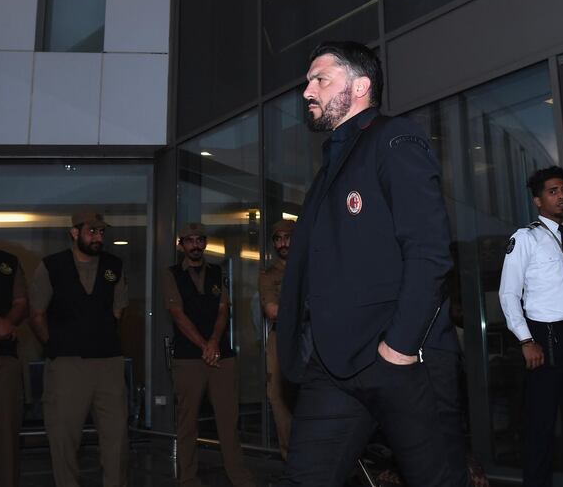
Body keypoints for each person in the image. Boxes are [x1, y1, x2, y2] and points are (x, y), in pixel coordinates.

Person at [276, 41, 467, 486]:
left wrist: (398, 347)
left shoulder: (394, 138)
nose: (308, 91)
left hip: (400, 359)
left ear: (360, 86)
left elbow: (430, 250)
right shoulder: (331, 167)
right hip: (334, 364)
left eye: (320, 79)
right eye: (308, 82)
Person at [498, 166, 563, 487]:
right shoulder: (525, 238)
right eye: (553, 192)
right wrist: (525, 339)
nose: (561, 197)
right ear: (538, 201)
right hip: (544, 337)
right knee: (540, 426)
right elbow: (508, 293)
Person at [29, 211, 130, 487]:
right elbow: (36, 314)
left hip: (108, 363)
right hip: (67, 365)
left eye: (101, 232)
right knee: (64, 439)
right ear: (74, 233)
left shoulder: (114, 266)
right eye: (92, 231)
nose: (98, 237)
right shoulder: (51, 266)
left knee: (116, 439)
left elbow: (118, 309)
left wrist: (99, 333)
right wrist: (54, 346)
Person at [164, 222, 256, 487]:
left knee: (228, 423)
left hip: (222, 357)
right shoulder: (171, 274)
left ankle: (240, 478)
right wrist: (205, 345)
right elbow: (178, 315)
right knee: (187, 424)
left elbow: (222, 311)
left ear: (205, 243)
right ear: (181, 245)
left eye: (199, 240)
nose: (195, 245)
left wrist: (214, 342)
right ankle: (188, 480)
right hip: (188, 358)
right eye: (189, 240)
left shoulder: (217, 272)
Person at [258, 219, 297, 459]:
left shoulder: (309, 267)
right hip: (280, 339)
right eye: (277, 238)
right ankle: (289, 458)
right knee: (278, 397)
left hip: (310, 339)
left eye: (287, 237)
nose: (282, 243)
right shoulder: (268, 275)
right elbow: (272, 311)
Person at [0, 247, 28, 487]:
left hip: (4, 356)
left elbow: (21, 302)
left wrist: (5, 323)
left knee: (6, 434)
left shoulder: (8, 261)